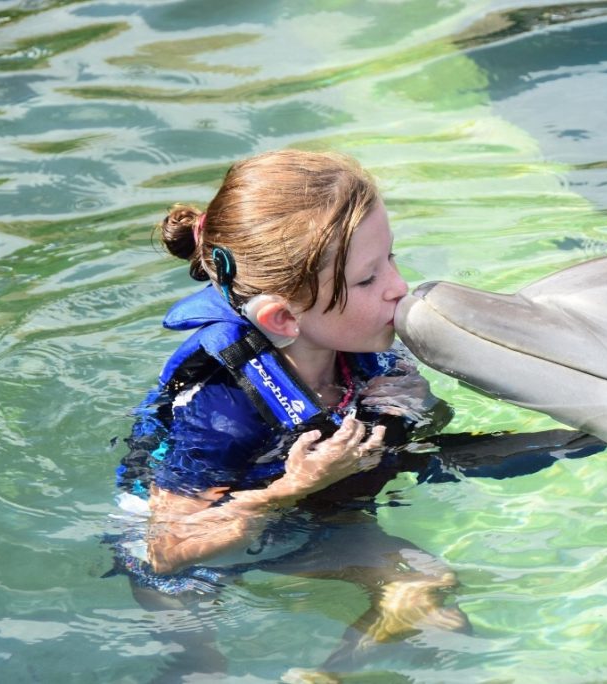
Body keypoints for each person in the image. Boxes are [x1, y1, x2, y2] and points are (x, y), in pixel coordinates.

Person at [109, 150, 467, 674]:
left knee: (429, 591)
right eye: (368, 279)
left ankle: (327, 673)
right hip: (202, 547)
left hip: (305, 513)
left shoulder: (358, 350)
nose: (398, 286)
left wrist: (407, 404)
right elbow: (166, 547)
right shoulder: (222, 406)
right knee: (201, 666)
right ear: (282, 316)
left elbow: (419, 433)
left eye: (392, 258)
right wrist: (293, 486)